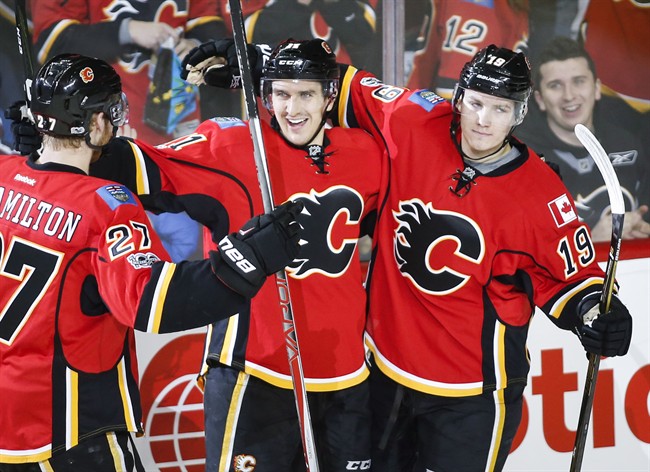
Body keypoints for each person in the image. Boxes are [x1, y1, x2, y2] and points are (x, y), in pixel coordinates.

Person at [9, 38, 384, 470]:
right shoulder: (233, 146)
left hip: (345, 375)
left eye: (306, 94)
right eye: (281, 94)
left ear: (330, 97)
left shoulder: (366, 153)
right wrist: (55, 140)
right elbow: (142, 165)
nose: (292, 109)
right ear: (265, 95)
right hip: (253, 372)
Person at [30, 0, 229, 144]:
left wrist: (196, 47)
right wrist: (127, 31)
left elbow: (211, 28)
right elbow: (51, 43)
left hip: (180, 124)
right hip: (101, 127)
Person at [516, 36, 650, 242]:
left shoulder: (627, 144)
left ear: (596, 89)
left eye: (578, 81)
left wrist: (643, 231)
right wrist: (592, 241)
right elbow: (518, 247)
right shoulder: (522, 160)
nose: (569, 95)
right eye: (555, 85)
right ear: (540, 99)